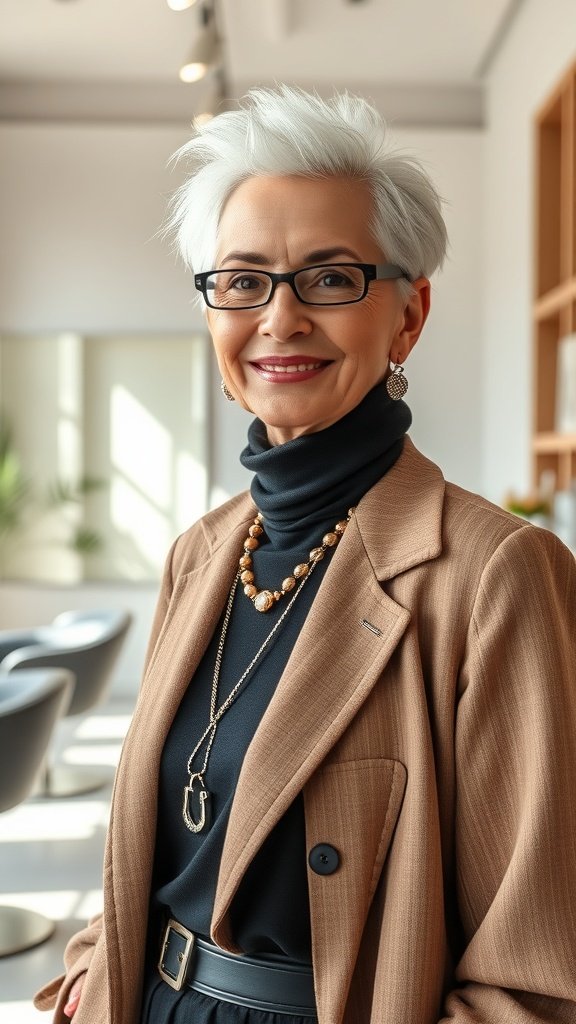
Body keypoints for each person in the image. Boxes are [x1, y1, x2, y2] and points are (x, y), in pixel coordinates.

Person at [35, 85, 576, 1024]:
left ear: (408, 315)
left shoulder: (497, 574)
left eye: (330, 278)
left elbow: (533, 978)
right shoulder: (200, 553)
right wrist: (93, 961)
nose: (280, 320)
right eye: (243, 282)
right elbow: (160, 835)